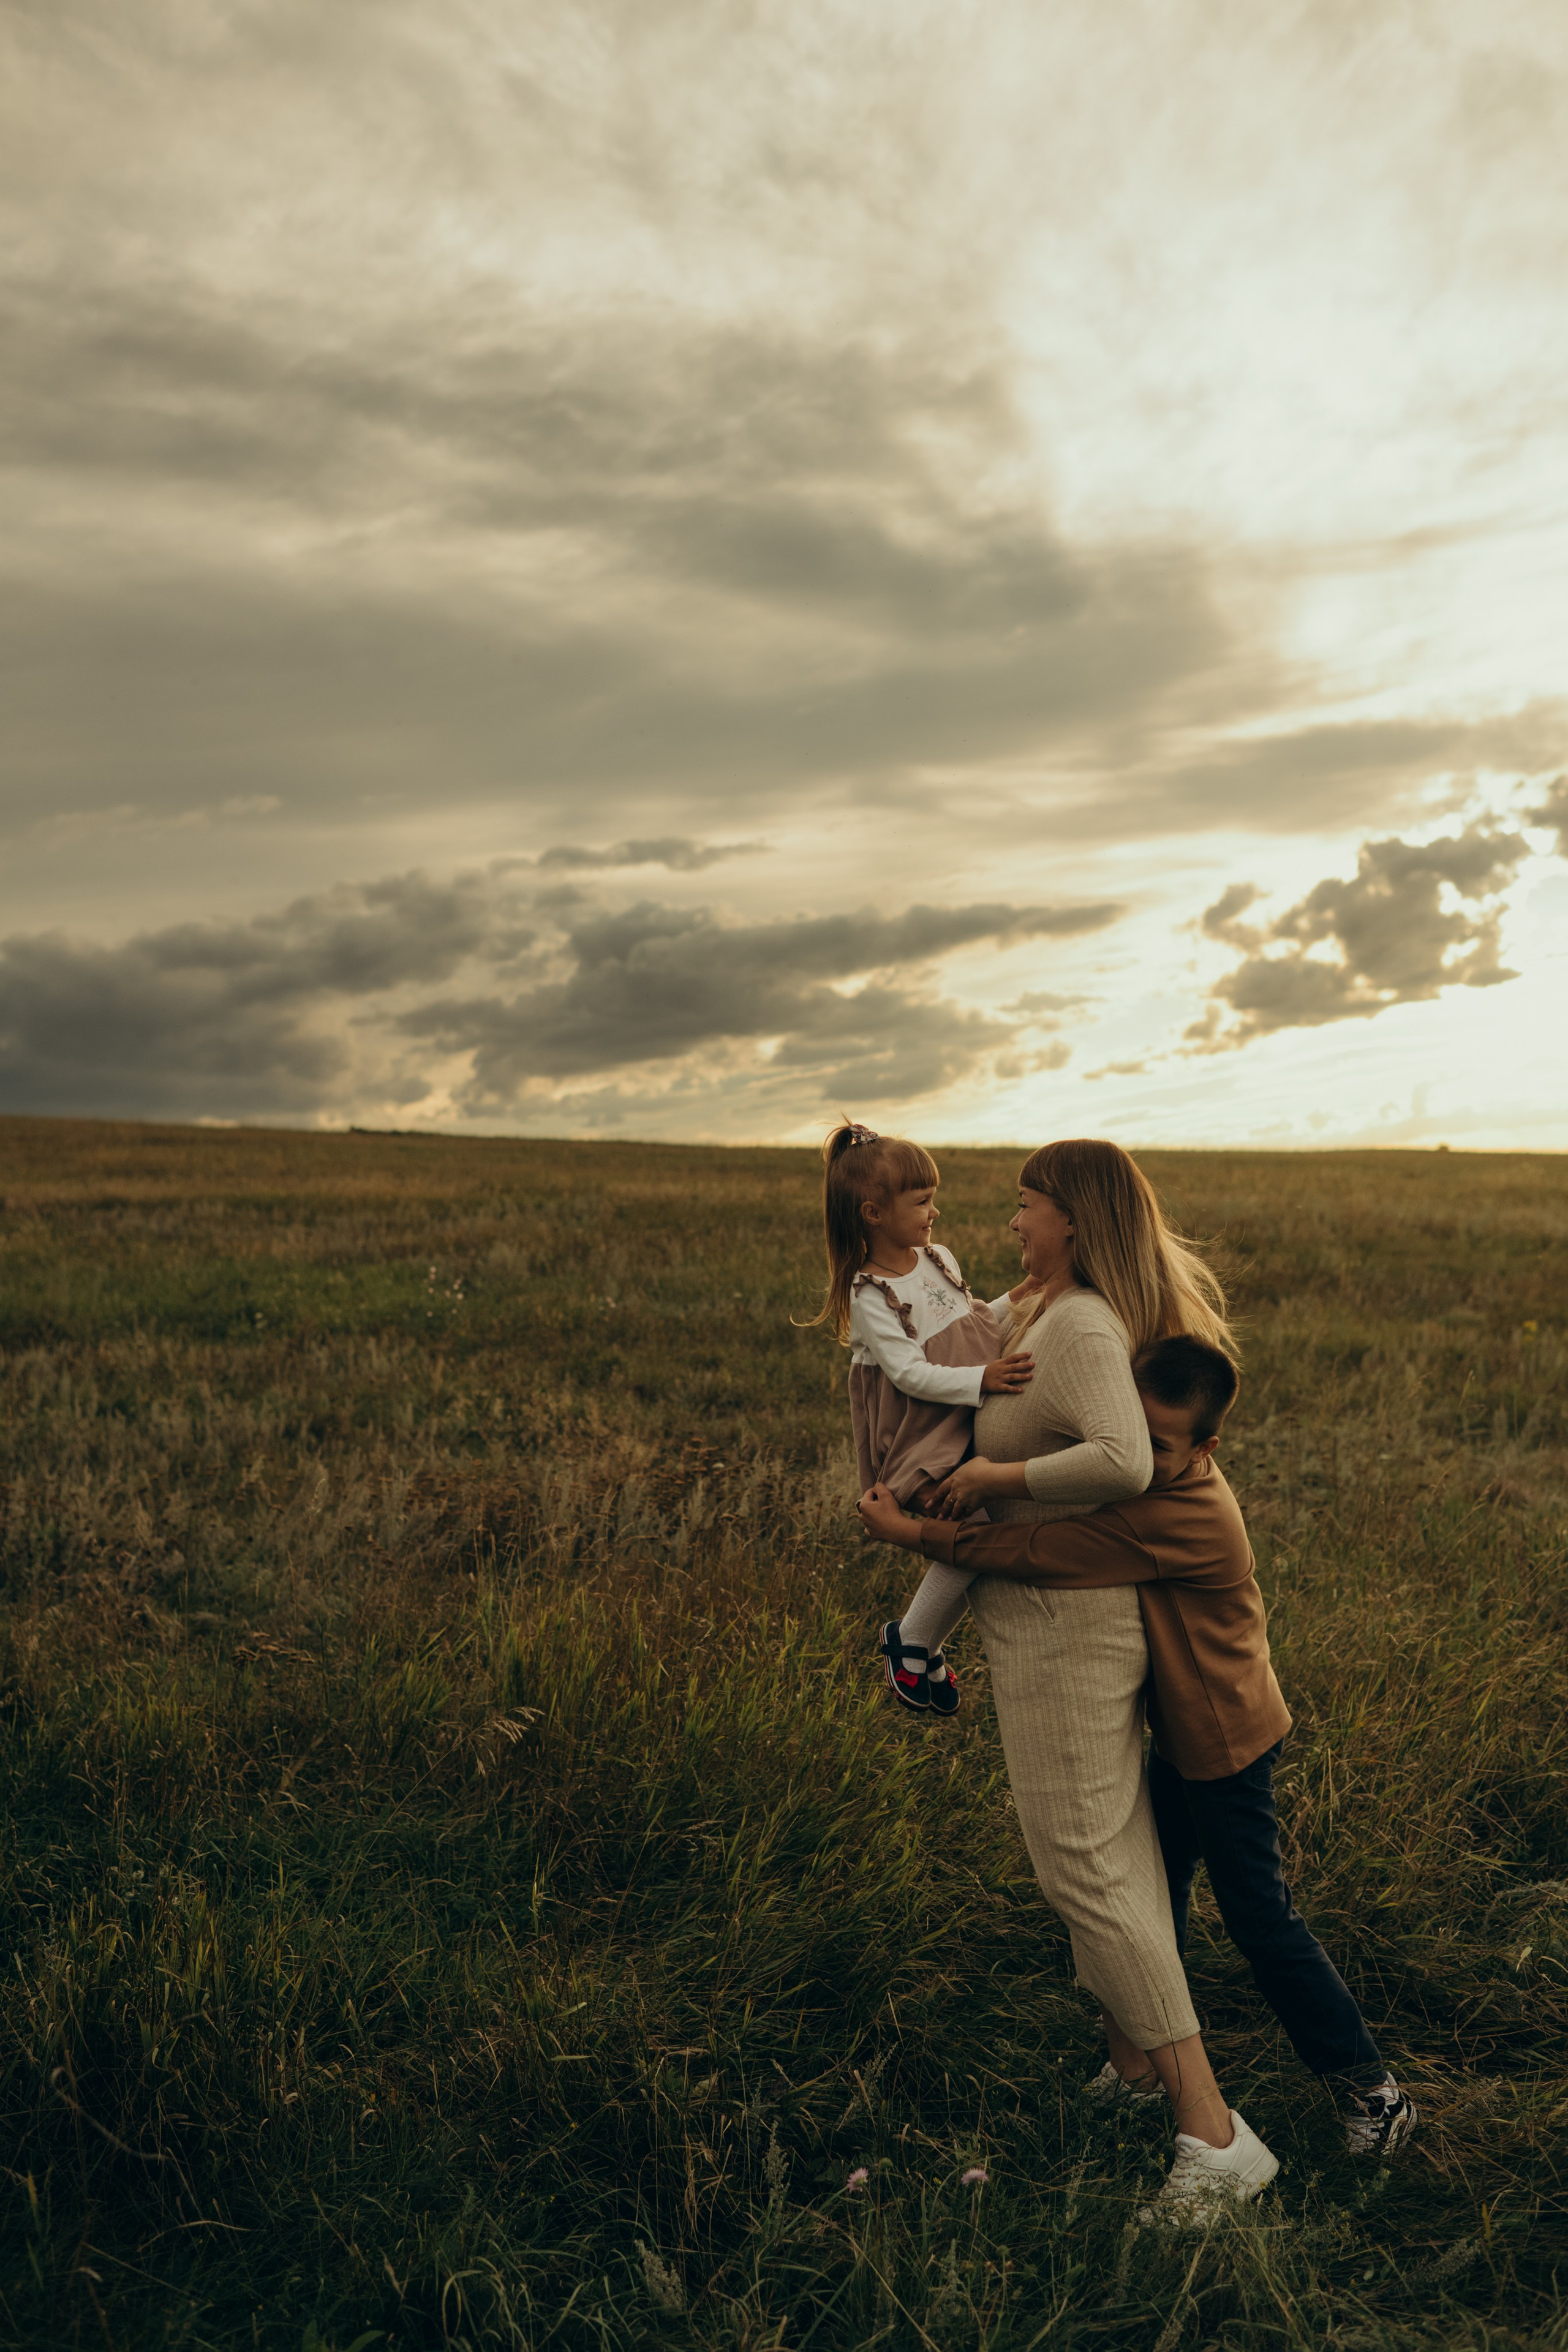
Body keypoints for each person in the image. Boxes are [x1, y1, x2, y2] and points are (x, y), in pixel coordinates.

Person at [859, 1332, 1418, 2162]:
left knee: (1259, 1918)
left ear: (1204, 1449)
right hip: (1183, 1736)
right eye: (1131, 1435)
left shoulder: (1180, 1515)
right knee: (1150, 1895)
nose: (1139, 1458)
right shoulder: (1151, 1487)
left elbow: (1041, 1553)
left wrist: (914, 1534)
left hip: (1225, 1746)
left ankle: (1373, 2093)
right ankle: (1146, 2067)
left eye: (1158, 1446)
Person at [859, 1138, 1279, 2220]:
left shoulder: (1085, 1323)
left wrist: (993, 1475)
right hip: (1050, 1626)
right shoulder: (1045, 1309)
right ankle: (1136, 2069)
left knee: (1087, 1872)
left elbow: (1124, 1461)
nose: (1011, 1223)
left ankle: (1215, 2137)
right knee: (1113, 1859)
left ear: (1076, 1221)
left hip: (1070, 1640)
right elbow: (937, 1323)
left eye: (1026, 1205)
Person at [804, 1120, 1033, 1714]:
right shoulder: (870, 1294)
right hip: (919, 1429)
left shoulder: (937, 1257)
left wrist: (1024, 1295)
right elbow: (910, 1375)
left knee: (975, 1531)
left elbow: (970, 1324)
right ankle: (911, 1639)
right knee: (969, 1531)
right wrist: (982, 1380)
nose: (935, 1212)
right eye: (922, 1201)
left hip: (959, 1408)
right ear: (874, 1213)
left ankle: (919, 1643)